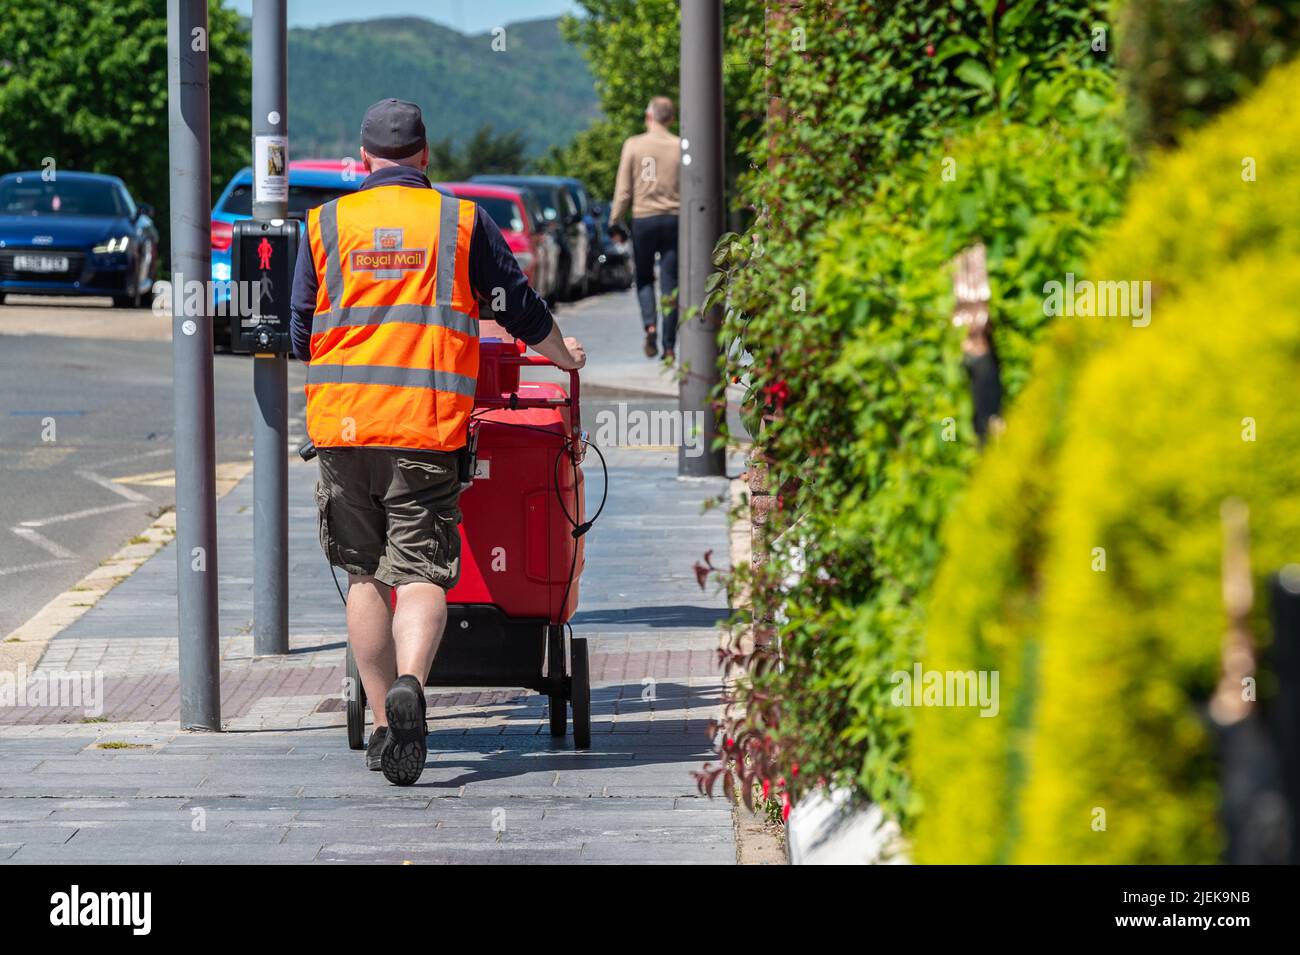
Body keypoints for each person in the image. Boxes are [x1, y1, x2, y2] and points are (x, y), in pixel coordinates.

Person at [289, 99, 586, 786]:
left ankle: (388, 723)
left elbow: (302, 330)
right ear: (425, 156)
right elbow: (517, 306)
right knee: (421, 573)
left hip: (343, 426)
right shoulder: (459, 221)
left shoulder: (324, 225)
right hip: (423, 427)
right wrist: (563, 357)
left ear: (362, 161)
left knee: (363, 574)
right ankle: (413, 685)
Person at [609, 96, 680, 362]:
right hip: (674, 218)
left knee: (645, 278)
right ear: (670, 119)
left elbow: (624, 189)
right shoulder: (680, 146)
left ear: (649, 117)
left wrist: (615, 220)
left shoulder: (634, 145)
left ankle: (650, 324)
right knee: (671, 283)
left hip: (644, 220)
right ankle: (670, 346)